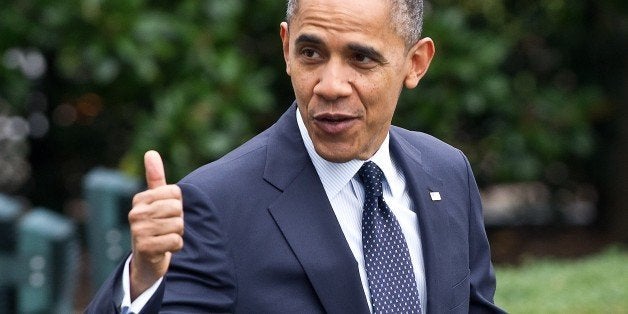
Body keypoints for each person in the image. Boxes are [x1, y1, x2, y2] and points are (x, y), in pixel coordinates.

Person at [87, 0, 504, 313]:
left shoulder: (447, 172)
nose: (330, 85)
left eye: (360, 58)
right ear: (287, 48)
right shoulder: (215, 203)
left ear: (416, 63)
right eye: (311, 54)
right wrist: (143, 278)